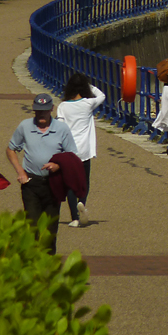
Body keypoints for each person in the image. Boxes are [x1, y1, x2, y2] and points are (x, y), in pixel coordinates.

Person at [6, 93, 78, 255]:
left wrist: (57, 165)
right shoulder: (25, 126)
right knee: (32, 227)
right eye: (38, 111)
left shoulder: (62, 129)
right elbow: (11, 149)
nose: (41, 115)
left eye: (45, 111)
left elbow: (72, 156)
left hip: (53, 184)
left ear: (52, 109)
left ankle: (48, 267)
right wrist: (20, 171)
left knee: (50, 230)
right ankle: (31, 266)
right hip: (31, 184)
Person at [55, 73, 106, 228]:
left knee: (70, 184)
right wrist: (88, 85)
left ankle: (75, 218)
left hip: (69, 150)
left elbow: (60, 127)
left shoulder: (63, 106)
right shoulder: (88, 104)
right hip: (84, 150)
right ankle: (82, 202)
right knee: (84, 181)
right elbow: (102, 95)